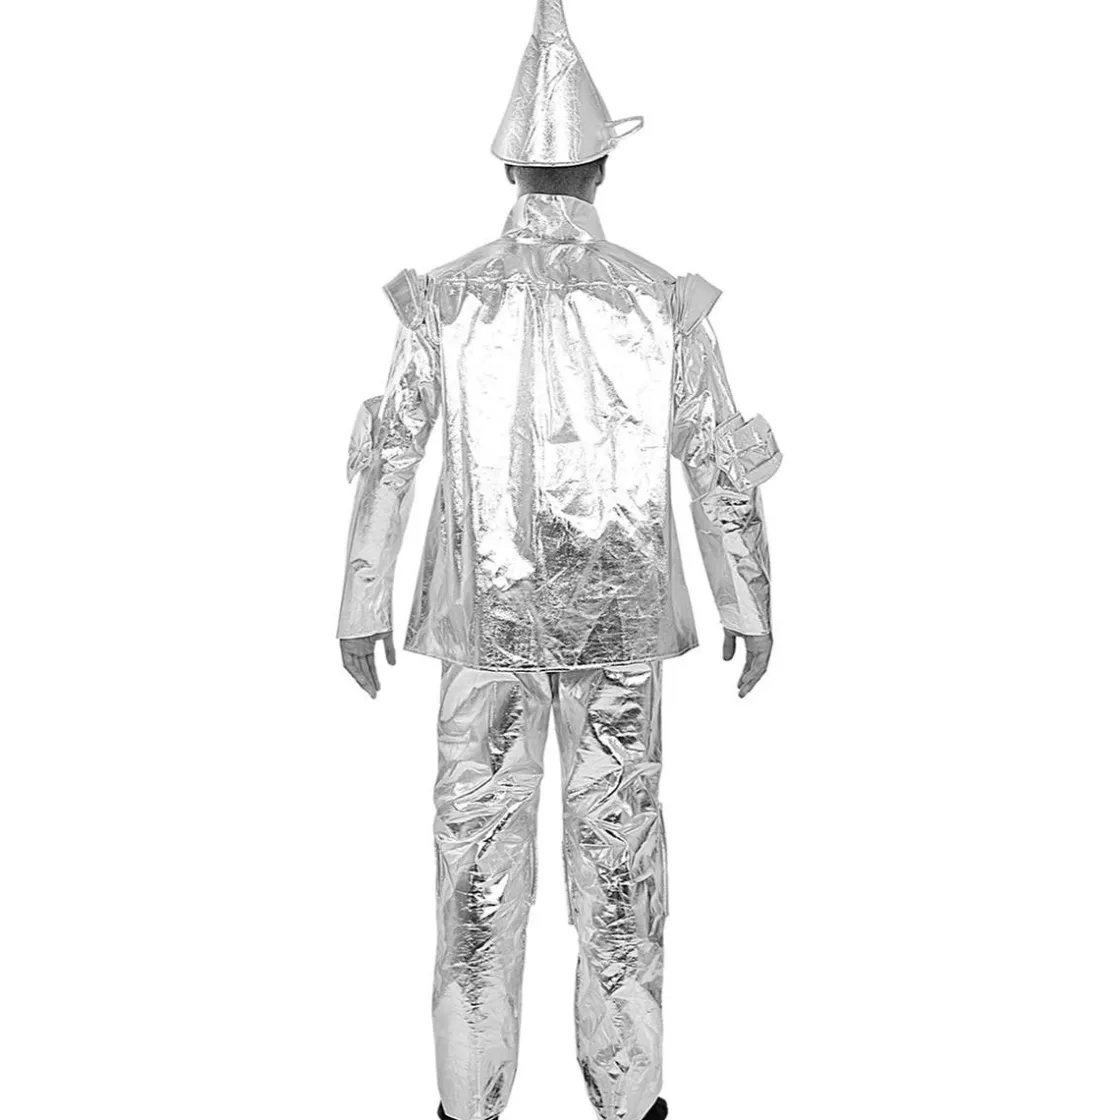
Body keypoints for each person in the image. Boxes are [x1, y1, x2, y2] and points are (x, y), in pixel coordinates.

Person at [337, 3, 781, 1118]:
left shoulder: (444, 300)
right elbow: (717, 459)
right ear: (599, 169)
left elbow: (389, 452)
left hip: (479, 632)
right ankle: (630, 1107)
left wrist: (360, 599)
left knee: (475, 872)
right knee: (620, 872)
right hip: (618, 635)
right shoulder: (662, 301)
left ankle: (466, 1103)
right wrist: (748, 598)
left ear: (509, 168)